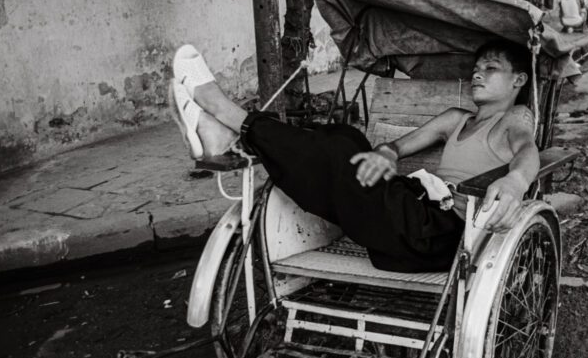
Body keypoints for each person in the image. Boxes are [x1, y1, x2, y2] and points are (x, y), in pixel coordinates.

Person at [169, 40, 540, 273]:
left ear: (518, 81)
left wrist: (516, 180)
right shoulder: (456, 119)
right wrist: (385, 153)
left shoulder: (514, 119)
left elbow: (527, 151)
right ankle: (232, 135)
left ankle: (227, 116)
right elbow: (396, 148)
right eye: (476, 70)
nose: (478, 76)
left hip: (443, 236)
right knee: (346, 136)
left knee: (340, 151)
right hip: (413, 210)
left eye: (490, 70)